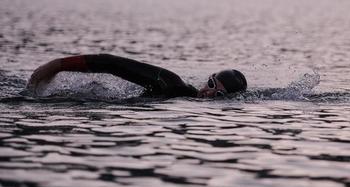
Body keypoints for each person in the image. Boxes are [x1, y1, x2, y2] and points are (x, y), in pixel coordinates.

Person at [27, 54, 247, 98]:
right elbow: (114, 64)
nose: (208, 93)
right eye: (211, 84)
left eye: (218, 95)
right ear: (207, 78)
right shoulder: (172, 85)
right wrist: (58, 65)